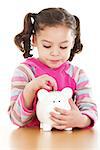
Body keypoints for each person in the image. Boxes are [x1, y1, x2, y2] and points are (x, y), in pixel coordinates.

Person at [8, 7, 98, 130]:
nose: (55, 53)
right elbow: (16, 119)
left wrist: (81, 120)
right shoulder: (25, 72)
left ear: (72, 43)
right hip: (32, 143)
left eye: (63, 46)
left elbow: (90, 109)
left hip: (69, 142)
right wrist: (31, 88)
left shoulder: (78, 75)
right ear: (34, 40)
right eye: (47, 46)